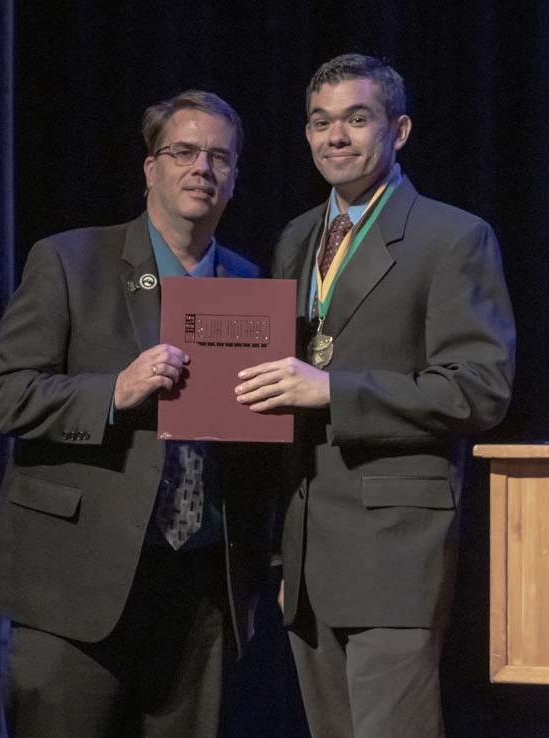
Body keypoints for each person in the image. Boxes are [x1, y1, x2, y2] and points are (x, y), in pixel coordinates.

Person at [0, 90, 273, 738]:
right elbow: (2, 397)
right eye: (184, 152)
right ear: (149, 168)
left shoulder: (250, 285)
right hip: (74, 587)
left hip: (199, 597)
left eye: (221, 157)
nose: (203, 169)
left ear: (236, 177)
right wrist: (114, 390)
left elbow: (254, 455)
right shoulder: (70, 260)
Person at [235, 54, 515, 738]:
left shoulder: (453, 237)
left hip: (395, 547)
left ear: (400, 129)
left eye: (357, 119)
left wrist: (333, 390)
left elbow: (480, 389)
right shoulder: (297, 237)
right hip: (307, 555)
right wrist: (281, 551)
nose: (336, 137)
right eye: (321, 122)